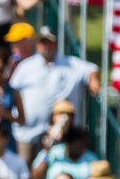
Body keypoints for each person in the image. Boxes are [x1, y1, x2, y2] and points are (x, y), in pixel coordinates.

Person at [9, 26, 101, 164]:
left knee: (56, 170)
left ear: (56, 43)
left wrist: (93, 80)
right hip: (28, 133)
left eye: (49, 42)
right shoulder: (26, 66)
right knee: (26, 174)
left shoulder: (70, 64)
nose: (45, 46)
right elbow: (12, 91)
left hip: (60, 134)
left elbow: (91, 69)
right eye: (42, 42)